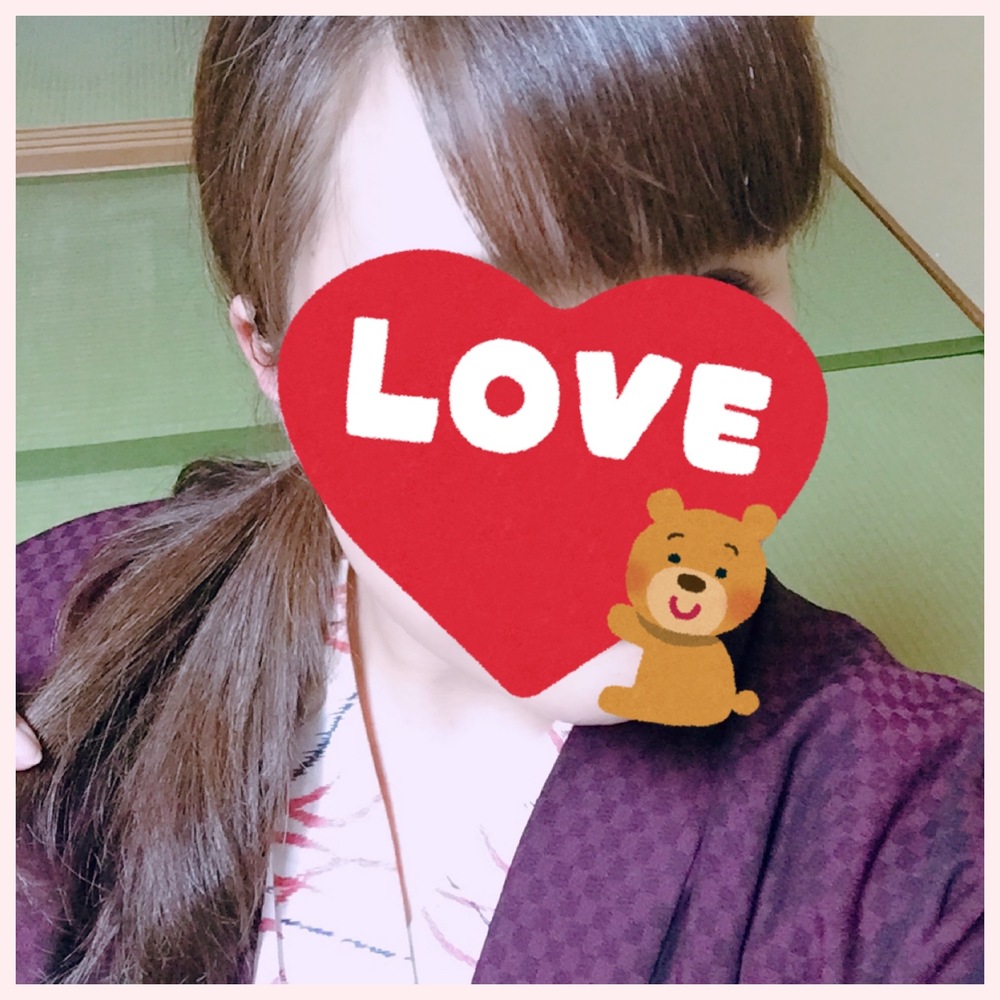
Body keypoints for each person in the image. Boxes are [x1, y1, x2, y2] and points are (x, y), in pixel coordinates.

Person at [15, 16, 983, 984]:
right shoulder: (66, 632)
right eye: (463, 344)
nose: (610, 455)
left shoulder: (909, 823)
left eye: (717, 294)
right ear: (271, 353)